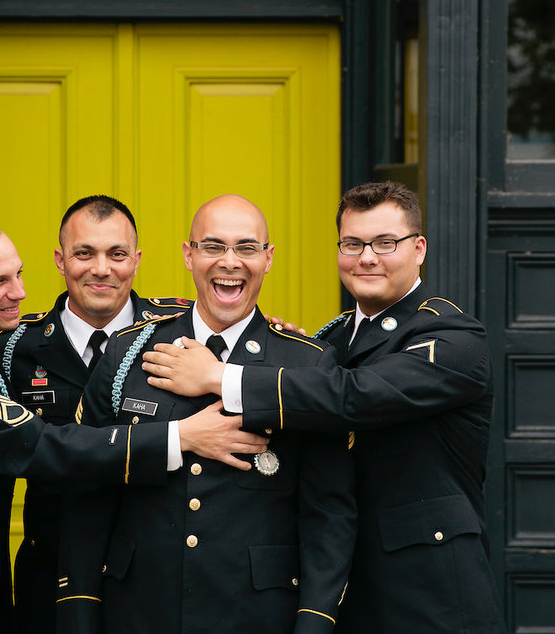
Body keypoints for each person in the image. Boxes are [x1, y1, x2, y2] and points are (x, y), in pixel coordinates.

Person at [0, 218, 268, 633]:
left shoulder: (171, 326)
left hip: (147, 573)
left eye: (18, 275)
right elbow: (38, 445)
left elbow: (243, 327)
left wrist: (270, 335)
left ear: (137, 259)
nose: (19, 293)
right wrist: (182, 436)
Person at [142, 181, 507, 633]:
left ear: (419, 249)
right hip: (338, 593)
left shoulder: (455, 338)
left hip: (430, 596)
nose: (367, 257)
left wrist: (220, 375)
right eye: (352, 243)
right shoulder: (328, 342)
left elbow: (356, 396)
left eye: (385, 243)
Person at [57, 195, 356, 633]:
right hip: (139, 611)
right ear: (188, 254)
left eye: (247, 248)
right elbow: (86, 499)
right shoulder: (128, 352)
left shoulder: (306, 365)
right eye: (213, 246)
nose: (229, 262)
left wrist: (314, 624)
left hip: (256, 616)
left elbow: (329, 516)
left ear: (268, 259)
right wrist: (79, 613)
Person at [0, 196, 191, 634]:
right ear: (60, 261)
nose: (101, 269)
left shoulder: (179, 332)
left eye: (116, 254)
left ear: (136, 261)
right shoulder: (12, 348)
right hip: (50, 570)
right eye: (85, 253)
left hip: (151, 571)